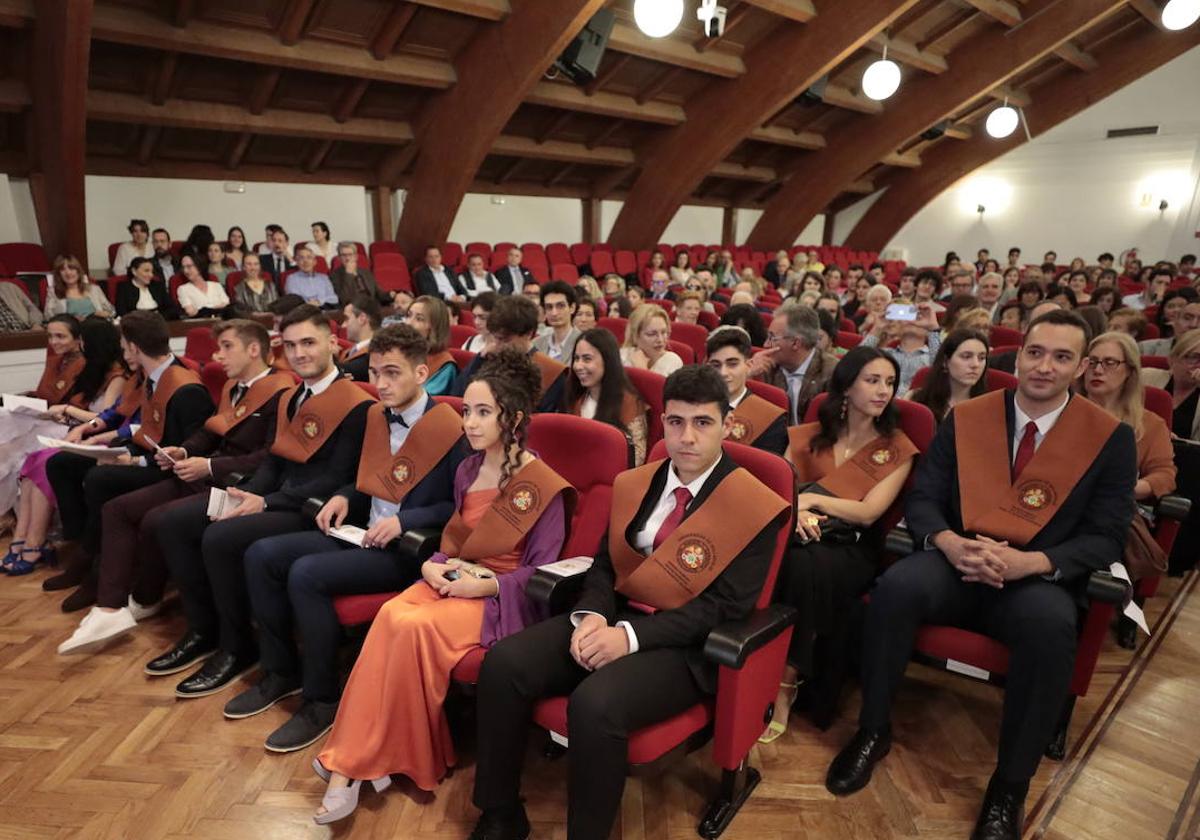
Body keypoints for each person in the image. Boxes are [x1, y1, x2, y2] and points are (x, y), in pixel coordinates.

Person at [826, 310, 1136, 840]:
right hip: (957, 559)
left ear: (1081, 366)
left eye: (1062, 357)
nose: (1044, 366)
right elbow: (923, 499)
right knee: (896, 588)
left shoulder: (1108, 437)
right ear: (1018, 356)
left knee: (1051, 629)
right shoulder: (968, 419)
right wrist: (949, 542)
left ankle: (1009, 785)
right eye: (1035, 353)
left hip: (1035, 576)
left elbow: (1107, 534)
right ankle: (872, 730)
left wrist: (1034, 563)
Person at [469, 364, 789, 840]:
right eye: (676, 422)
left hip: (685, 647)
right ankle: (499, 813)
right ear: (662, 423)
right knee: (503, 664)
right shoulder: (640, 482)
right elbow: (604, 563)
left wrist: (629, 638)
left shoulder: (751, 504)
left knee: (595, 705)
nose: (687, 437)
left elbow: (723, 608)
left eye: (703, 423)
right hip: (616, 615)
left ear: (727, 424)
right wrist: (592, 616)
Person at [312, 349, 575, 823]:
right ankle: (359, 762)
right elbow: (453, 539)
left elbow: (541, 573)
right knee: (393, 614)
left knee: (413, 628)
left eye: (482, 413)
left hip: (498, 600)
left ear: (512, 418)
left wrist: (486, 587)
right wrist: (433, 565)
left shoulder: (544, 488)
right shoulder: (467, 471)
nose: (469, 423)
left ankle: (349, 765)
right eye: (466, 412)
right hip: (454, 578)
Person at [232, 324, 464, 752]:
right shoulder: (377, 414)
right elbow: (367, 480)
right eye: (375, 372)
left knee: (306, 573)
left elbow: (462, 504)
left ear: (421, 372)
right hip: (360, 532)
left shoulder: (453, 427)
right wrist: (342, 496)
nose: (380, 384)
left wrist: (407, 519)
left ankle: (322, 699)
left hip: (409, 547)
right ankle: (281, 671)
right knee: (261, 554)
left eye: (392, 373)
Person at [143, 305, 373, 697]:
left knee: (221, 538)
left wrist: (265, 503)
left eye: (309, 343)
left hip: (311, 508)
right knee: (172, 523)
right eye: (292, 344)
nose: (299, 353)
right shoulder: (292, 397)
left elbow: (336, 479)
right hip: (276, 499)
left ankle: (238, 648)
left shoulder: (356, 403)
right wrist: (254, 492)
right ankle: (205, 630)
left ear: (332, 344)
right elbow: (274, 459)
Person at [55, 320, 292, 653]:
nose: (216, 355)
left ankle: (165, 607)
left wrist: (208, 464)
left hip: (242, 487)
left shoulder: (281, 392)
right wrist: (185, 450)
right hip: (207, 476)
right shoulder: (231, 386)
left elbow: (270, 456)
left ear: (254, 349)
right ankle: (110, 608)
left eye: (226, 346)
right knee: (118, 509)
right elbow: (211, 433)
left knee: (160, 519)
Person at [762, 347, 917, 739]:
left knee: (803, 565)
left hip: (853, 546)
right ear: (846, 386)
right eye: (873, 380)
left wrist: (811, 500)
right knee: (790, 557)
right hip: (800, 531)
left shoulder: (896, 447)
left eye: (890, 383)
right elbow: (781, 491)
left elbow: (868, 512)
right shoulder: (810, 436)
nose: (884, 391)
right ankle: (755, 667)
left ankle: (785, 682)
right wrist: (800, 513)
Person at [42, 311, 215, 606]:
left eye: (124, 346)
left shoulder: (184, 386)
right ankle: (83, 549)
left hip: (169, 469)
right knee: (63, 462)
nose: (122, 352)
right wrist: (103, 438)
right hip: (142, 452)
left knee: (100, 478)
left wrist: (132, 461)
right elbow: (134, 421)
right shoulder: (149, 377)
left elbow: (186, 448)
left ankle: (95, 566)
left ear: (134, 347)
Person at [0, 319, 128, 574]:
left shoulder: (117, 375)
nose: (81, 346)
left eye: (83, 341)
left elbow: (105, 417)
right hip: (81, 432)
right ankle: (20, 540)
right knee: (31, 462)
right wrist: (67, 413)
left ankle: (35, 542)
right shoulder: (94, 370)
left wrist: (69, 411)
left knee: (45, 462)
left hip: (103, 438)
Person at [1078, 330, 1175, 642]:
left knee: (1102, 525)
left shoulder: (1148, 423)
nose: (1098, 370)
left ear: (1130, 371)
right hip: (1059, 500)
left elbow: (1165, 474)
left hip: (1119, 507)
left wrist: (1133, 487)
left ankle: (1093, 606)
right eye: (1092, 362)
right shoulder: (1064, 410)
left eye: (1109, 363)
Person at [450, 295, 567, 411]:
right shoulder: (487, 358)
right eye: (495, 337)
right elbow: (457, 398)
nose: (497, 345)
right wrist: (478, 360)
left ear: (529, 334)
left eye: (504, 340)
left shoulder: (552, 373)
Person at [561, 327, 648, 467]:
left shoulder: (628, 403)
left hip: (610, 480)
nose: (578, 366)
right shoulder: (577, 400)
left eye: (587, 359)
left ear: (608, 361)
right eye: (576, 359)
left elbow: (636, 460)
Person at [748, 304, 838, 425]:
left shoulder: (832, 372)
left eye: (772, 338)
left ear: (796, 343)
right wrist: (747, 375)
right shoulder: (765, 366)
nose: (765, 345)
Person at [705, 326, 786, 455]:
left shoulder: (770, 418)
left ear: (748, 366)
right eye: (716, 365)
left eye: (732, 364)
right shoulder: (694, 406)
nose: (723, 373)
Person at [907, 328, 989, 421]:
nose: (975, 364)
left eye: (981, 358)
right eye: (966, 357)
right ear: (945, 361)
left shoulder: (990, 406)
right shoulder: (916, 399)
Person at [861, 301, 942, 394]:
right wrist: (877, 328)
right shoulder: (884, 354)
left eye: (918, 318)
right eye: (909, 316)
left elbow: (941, 369)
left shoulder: (932, 356)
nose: (912, 322)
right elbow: (857, 360)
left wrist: (933, 328)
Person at [404, 295, 457, 395]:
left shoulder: (444, 365)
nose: (408, 323)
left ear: (434, 327)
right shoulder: (400, 352)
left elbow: (422, 399)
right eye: (408, 315)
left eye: (419, 319)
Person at [29, 314, 85, 404]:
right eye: (50, 336)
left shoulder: (87, 363)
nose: (53, 342)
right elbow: (43, 394)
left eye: (60, 336)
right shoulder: (54, 360)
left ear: (78, 338)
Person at [43, 256, 114, 320]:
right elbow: (48, 317)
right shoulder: (53, 292)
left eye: (71, 268)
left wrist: (104, 314)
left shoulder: (94, 289)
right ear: (59, 274)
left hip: (96, 328)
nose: (68, 273)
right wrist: (70, 319)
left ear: (78, 271)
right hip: (71, 331)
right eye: (63, 270)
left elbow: (111, 312)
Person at [620, 303, 682, 376]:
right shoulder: (622, 356)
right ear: (635, 336)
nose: (660, 340)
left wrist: (642, 370)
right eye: (651, 334)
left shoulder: (673, 361)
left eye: (664, 332)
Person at [532, 280, 581, 365]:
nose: (554, 313)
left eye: (560, 306)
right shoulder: (536, 344)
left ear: (572, 308)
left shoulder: (584, 342)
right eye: (549, 307)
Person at [338, 295, 381, 382]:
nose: (343, 325)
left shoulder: (377, 352)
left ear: (362, 318)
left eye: (347, 318)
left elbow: (350, 369)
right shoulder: (350, 351)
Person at [285, 245, 338, 309]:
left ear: (314, 262)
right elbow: (294, 300)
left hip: (325, 310)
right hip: (303, 312)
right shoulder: (291, 279)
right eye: (301, 258)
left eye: (309, 257)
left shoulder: (324, 278)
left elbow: (334, 298)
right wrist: (311, 303)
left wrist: (318, 302)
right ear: (297, 261)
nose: (305, 261)